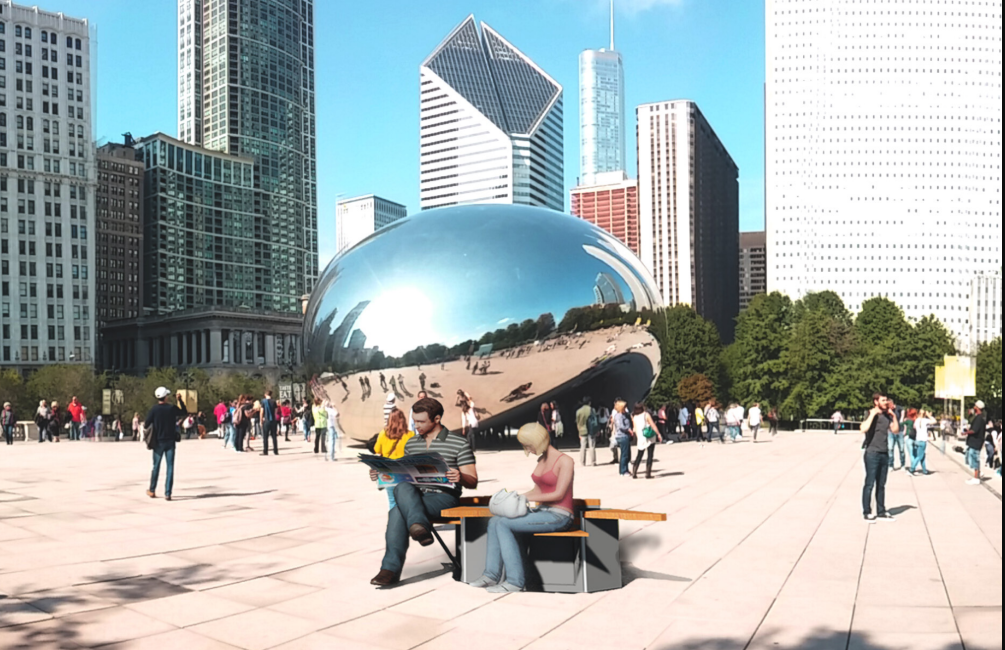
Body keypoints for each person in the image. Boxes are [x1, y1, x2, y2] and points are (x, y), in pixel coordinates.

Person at [369, 398, 478, 588]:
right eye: (415, 420)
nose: (416, 425)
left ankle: (390, 570)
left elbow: (473, 480)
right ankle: (418, 526)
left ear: (436, 419)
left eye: (421, 422)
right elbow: (404, 473)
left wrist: (459, 476)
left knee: (398, 511)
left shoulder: (458, 443)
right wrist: (382, 473)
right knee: (401, 487)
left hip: (444, 497)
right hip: (415, 496)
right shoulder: (412, 444)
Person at [470, 423, 574, 593]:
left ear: (538, 440)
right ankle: (490, 575)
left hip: (560, 515)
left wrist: (524, 498)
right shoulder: (541, 460)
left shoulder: (565, 461)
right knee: (495, 521)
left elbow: (558, 494)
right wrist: (514, 497)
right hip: (542, 512)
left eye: (528, 445)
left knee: (504, 524)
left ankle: (515, 581)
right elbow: (538, 491)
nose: (528, 449)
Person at [860, 393, 898, 522]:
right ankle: (867, 511)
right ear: (876, 402)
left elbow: (896, 430)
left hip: (884, 453)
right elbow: (863, 428)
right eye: (883, 400)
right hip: (872, 453)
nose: (886, 402)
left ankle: (881, 511)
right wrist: (872, 414)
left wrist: (893, 416)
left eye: (886, 400)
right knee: (869, 483)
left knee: (881, 484)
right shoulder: (870, 413)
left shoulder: (887, 415)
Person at [145, 387, 186, 501]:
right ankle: (168, 493)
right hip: (170, 441)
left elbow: (147, 423)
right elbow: (184, 412)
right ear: (166, 397)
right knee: (170, 467)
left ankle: (152, 490)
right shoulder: (171, 408)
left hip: (158, 442)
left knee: (156, 466)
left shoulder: (154, 409)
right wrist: (180, 400)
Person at [374, 408, 416, 509]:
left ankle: (394, 523)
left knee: (392, 501)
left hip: (388, 471)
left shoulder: (383, 434)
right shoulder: (410, 435)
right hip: (405, 471)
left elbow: (377, 450)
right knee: (407, 501)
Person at [631, 403, 663, 479]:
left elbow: (635, 429)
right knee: (650, 455)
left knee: (639, 455)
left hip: (641, 438)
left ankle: (634, 472)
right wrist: (658, 434)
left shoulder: (634, 417)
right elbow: (652, 425)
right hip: (649, 437)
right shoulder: (646, 415)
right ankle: (648, 473)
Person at [965, 401, 987, 486]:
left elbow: (974, 430)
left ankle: (976, 478)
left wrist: (966, 432)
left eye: (975, 406)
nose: (974, 407)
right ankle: (978, 473)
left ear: (977, 408)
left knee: (974, 459)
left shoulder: (979, 418)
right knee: (969, 458)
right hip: (974, 442)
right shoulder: (979, 417)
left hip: (976, 442)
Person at [910, 410, 935, 475]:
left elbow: (914, 427)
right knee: (919, 456)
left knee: (922, 456)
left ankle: (924, 470)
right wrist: (929, 415)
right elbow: (934, 421)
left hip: (917, 439)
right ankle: (912, 469)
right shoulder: (925, 420)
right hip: (923, 440)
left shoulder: (917, 420)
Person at [613, 400, 633, 478]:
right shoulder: (618, 416)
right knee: (624, 454)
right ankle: (623, 470)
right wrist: (628, 430)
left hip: (626, 436)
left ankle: (626, 469)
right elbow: (620, 426)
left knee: (627, 453)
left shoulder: (624, 415)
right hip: (622, 436)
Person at [576, 397, 597, 467]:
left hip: (582, 430)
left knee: (583, 447)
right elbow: (595, 421)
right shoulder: (592, 410)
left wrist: (579, 432)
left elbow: (578, 422)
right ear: (589, 402)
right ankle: (593, 462)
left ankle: (583, 462)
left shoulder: (578, 411)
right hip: (591, 430)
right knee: (592, 446)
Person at [887, 400, 907, 471]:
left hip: (900, 430)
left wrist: (902, 418)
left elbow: (903, 410)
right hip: (891, 431)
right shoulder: (887, 411)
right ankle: (890, 465)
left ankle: (903, 464)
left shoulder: (898, 408)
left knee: (901, 449)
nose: (889, 407)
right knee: (890, 448)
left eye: (890, 405)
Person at [260, 390, 279, 456]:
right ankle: (275, 450)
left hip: (266, 420)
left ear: (265, 394)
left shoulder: (263, 402)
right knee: (274, 436)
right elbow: (275, 411)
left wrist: (261, 420)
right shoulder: (274, 401)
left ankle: (265, 451)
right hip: (273, 420)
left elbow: (262, 411)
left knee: (265, 436)